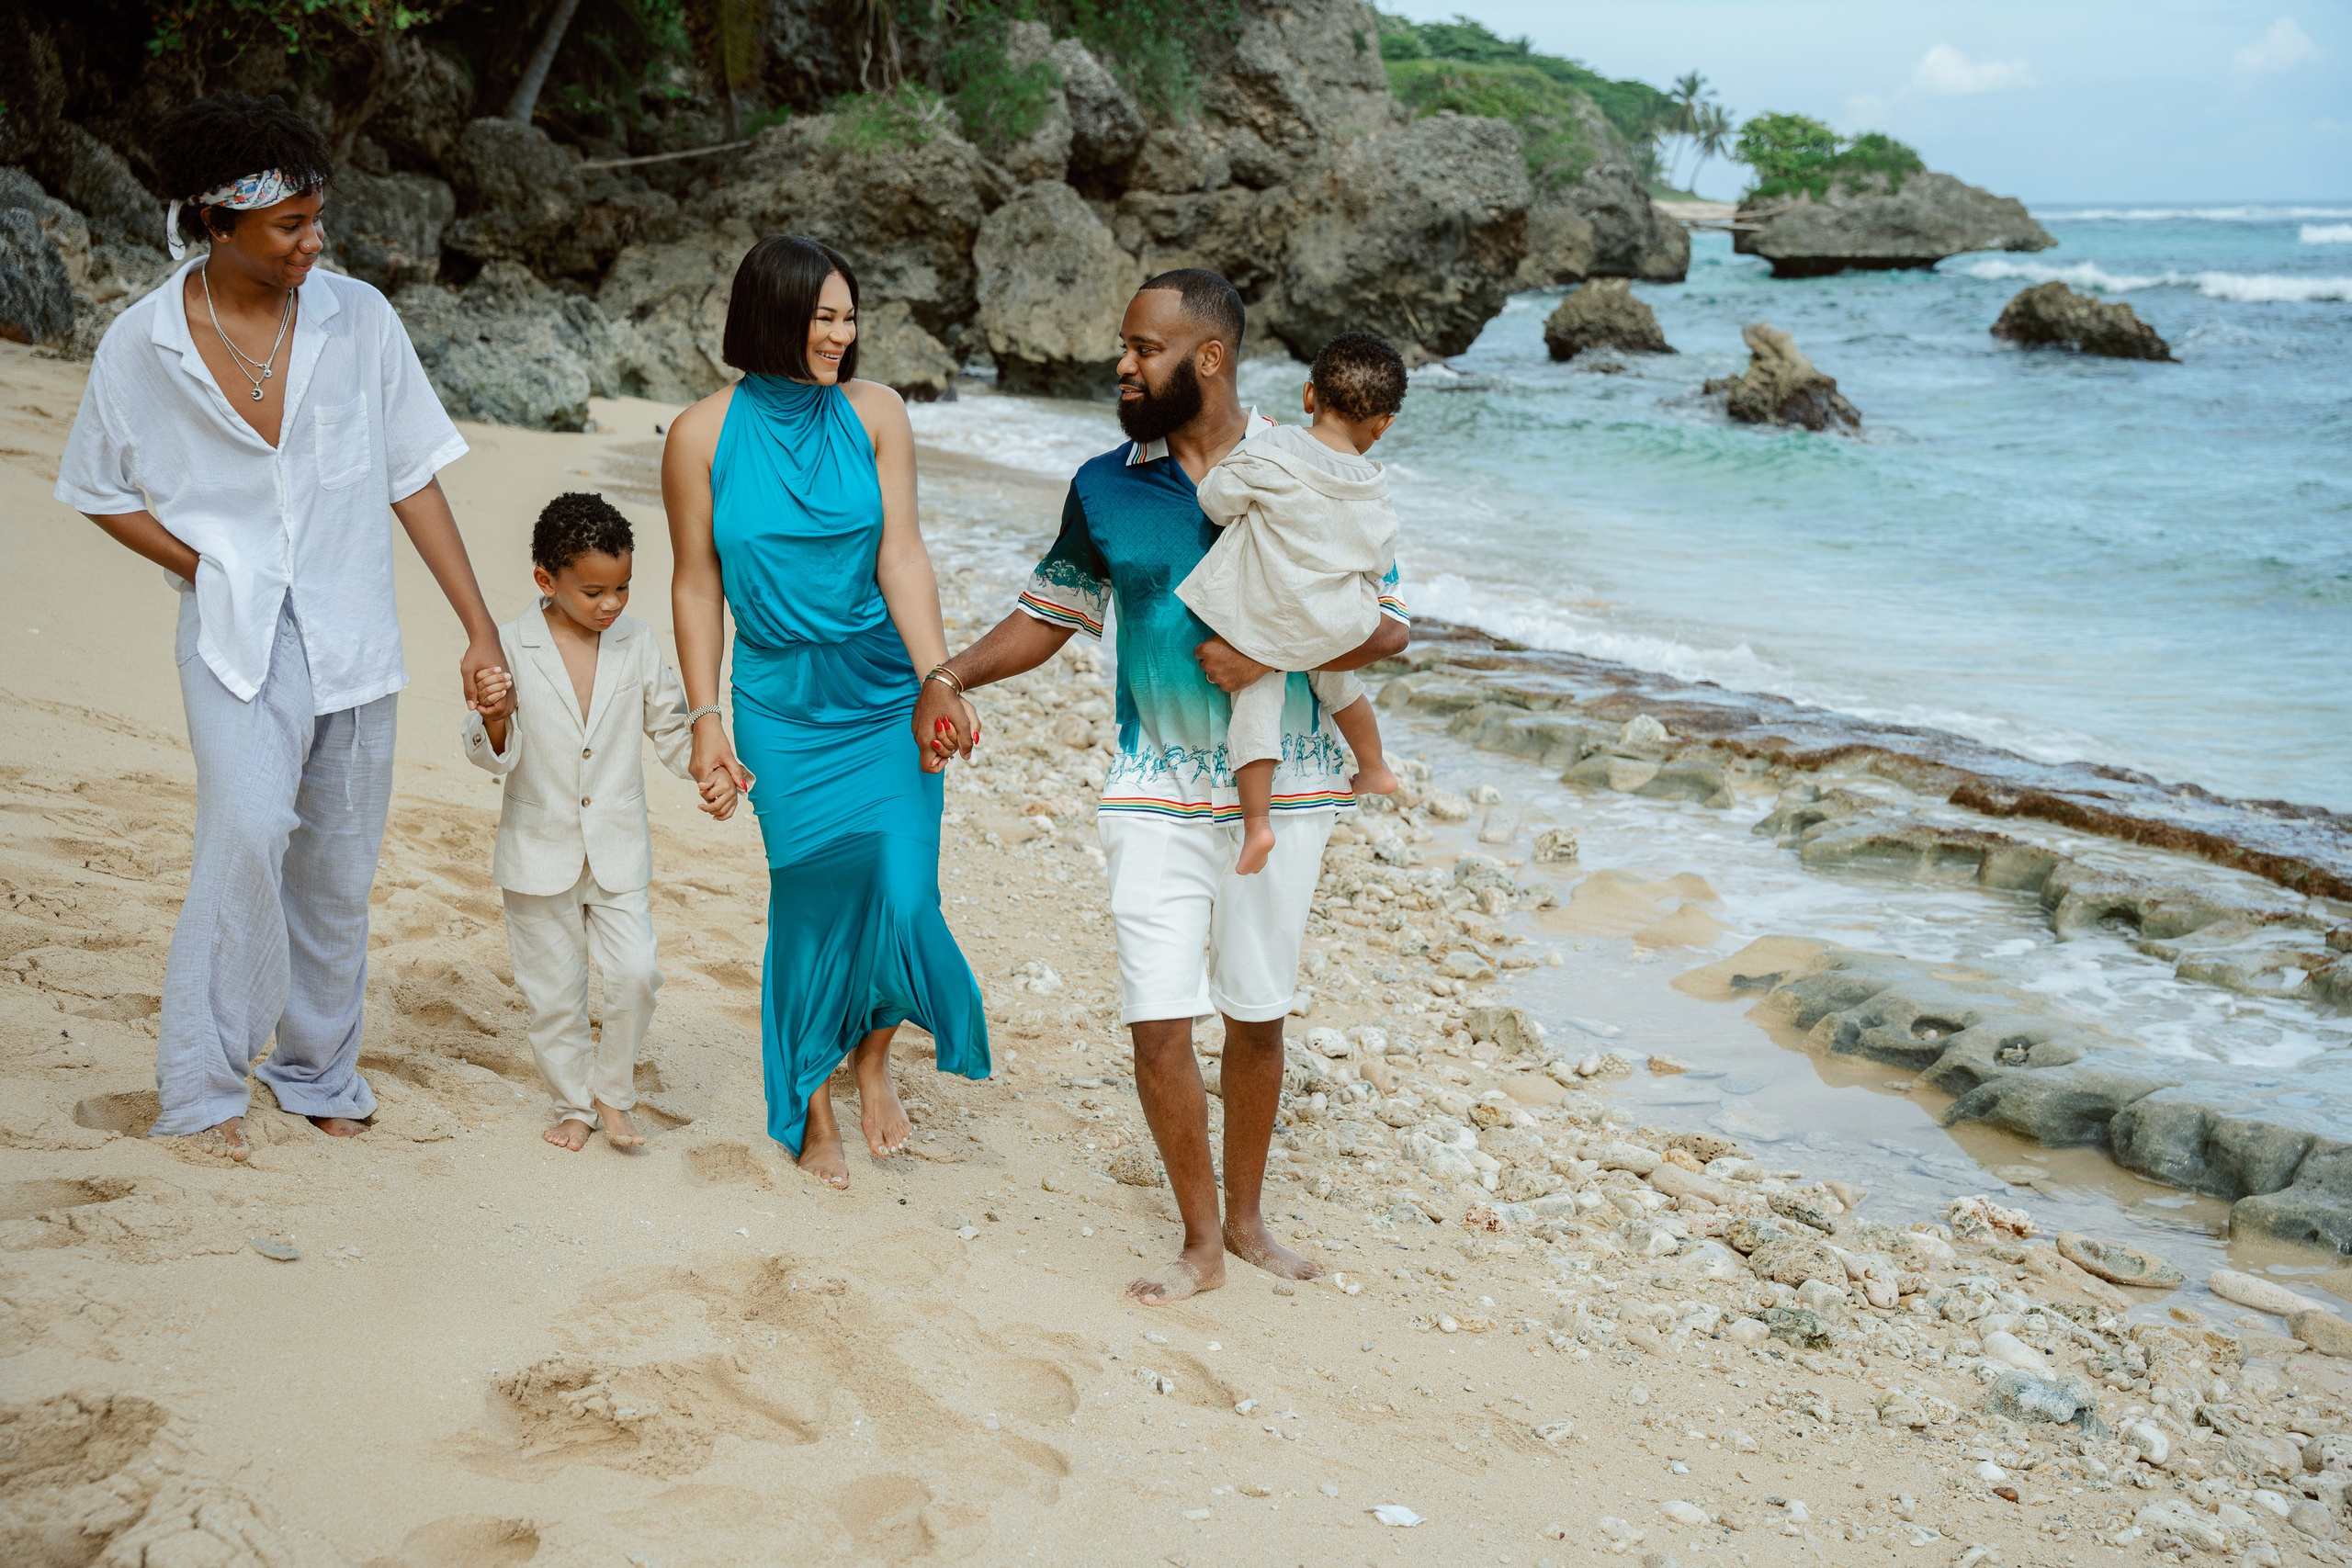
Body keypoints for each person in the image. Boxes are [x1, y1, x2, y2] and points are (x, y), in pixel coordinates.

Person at [933, 269, 1410, 1305]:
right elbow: (1052, 612)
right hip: (1151, 781)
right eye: (1127, 346)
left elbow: (1386, 627)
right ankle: (1200, 1243)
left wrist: (1266, 655)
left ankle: (1248, 1220)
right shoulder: (1104, 485)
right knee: (1157, 1015)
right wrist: (950, 676)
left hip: (1286, 787)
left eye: (1143, 348)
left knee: (1256, 1013)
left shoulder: (1312, 465)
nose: (1123, 364)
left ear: (1209, 356)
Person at [52, 94, 503, 1162]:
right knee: (248, 830)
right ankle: (203, 1084)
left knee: (336, 871)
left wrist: (479, 628)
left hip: (355, 628)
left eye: (316, 218)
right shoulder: (143, 343)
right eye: (290, 225)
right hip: (234, 633)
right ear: (216, 224)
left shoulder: (361, 320)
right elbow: (96, 488)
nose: (315, 242)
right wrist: (204, 565)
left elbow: (412, 478)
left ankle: (314, 1071)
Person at [662, 234, 988, 1189]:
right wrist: (705, 720)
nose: (841, 336)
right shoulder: (699, 435)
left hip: (882, 691)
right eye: (822, 318)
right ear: (772, 316)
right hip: (780, 703)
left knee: (903, 893)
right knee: (810, 901)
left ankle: (872, 1059)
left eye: (849, 319)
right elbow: (695, 584)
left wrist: (939, 677)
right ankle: (811, 1094)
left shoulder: (876, 412)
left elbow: (902, 554)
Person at [462, 493, 738, 1152]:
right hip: (536, 851)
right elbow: (490, 751)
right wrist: (495, 717)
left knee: (637, 973)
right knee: (555, 995)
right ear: (546, 580)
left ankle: (613, 1092)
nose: (611, 604)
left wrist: (711, 767)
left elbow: (671, 726)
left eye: (622, 587)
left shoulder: (635, 641)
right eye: (593, 592)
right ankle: (573, 1105)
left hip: (617, 848)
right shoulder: (509, 644)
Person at [1177, 330, 1408, 875]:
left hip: (1268, 615)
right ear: (1383, 425)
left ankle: (1257, 823)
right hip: (1338, 622)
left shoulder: (1274, 449)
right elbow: (1379, 560)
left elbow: (1215, 501)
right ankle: (1374, 766)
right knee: (1339, 683)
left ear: (1309, 396)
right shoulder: (1375, 485)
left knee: (1255, 703)